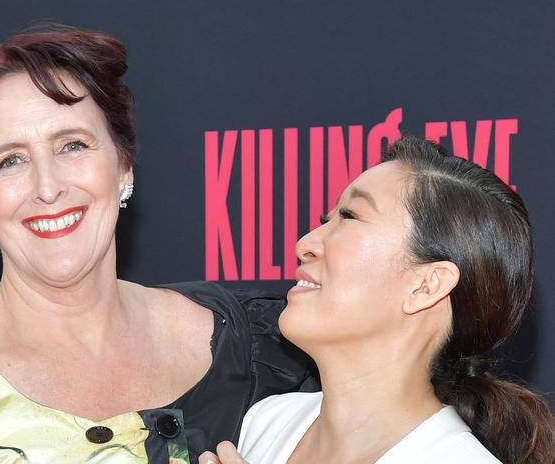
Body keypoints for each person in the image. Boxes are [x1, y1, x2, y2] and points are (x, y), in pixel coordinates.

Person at [0, 25, 318, 464]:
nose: (47, 187)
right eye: (11, 160)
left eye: (72, 146)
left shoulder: (259, 347)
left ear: (123, 165)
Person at [199, 136, 554, 464]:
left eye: (350, 216)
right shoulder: (269, 422)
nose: (304, 244)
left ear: (426, 285)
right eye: (326, 219)